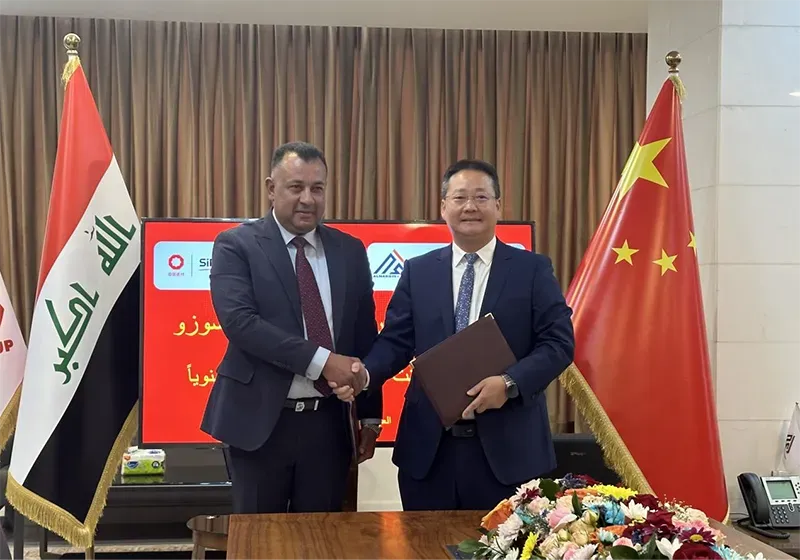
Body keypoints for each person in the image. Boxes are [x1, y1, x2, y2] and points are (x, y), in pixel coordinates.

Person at [334, 159, 575, 511]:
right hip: (430, 454)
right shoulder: (418, 271)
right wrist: (365, 374)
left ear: (498, 206)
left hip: (509, 454)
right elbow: (396, 342)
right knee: (424, 541)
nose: (470, 207)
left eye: (481, 197)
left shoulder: (532, 269)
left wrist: (509, 383)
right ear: (443, 207)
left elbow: (558, 343)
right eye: (460, 197)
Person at [201, 141, 382, 514]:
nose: (308, 199)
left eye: (317, 188)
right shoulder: (236, 245)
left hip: (329, 426)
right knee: (259, 539)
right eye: (296, 187)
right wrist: (323, 362)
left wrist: (369, 414)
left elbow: (364, 334)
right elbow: (241, 323)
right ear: (271, 188)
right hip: (259, 424)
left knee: (320, 539)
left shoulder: (350, 251)